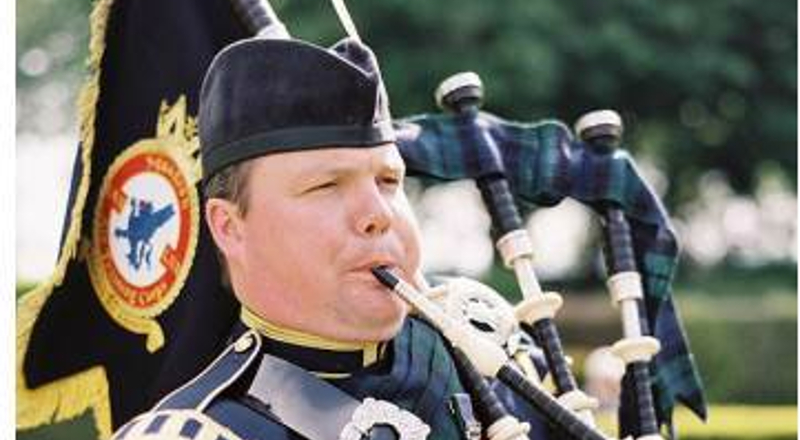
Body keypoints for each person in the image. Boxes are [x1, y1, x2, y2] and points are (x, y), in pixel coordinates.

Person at [111, 35, 550, 440]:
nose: (378, 214)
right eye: (326, 186)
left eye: (389, 180)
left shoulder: (495, 359)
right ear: (230, 227)